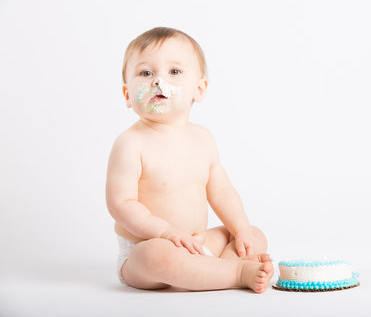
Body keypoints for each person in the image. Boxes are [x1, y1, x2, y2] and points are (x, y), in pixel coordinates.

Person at [106, 27, 273, 293]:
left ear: (199, 89)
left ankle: (215, 269)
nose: (158, 81)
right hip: (148, 247)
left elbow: (221, 191)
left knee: (254, 235)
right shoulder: (130, 143)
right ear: (127, 94)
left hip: (198, 243)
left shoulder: (203, 138)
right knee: (157, 257)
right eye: (146, 73)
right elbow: (121, 204)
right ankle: (237, 272)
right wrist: (166, 233)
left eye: (174, 72)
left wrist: (240, 230)